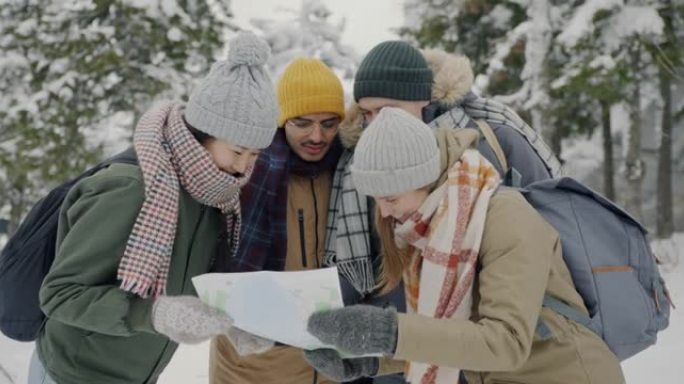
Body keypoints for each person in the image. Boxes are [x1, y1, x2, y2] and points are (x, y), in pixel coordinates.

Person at [304, 108, 625, 384]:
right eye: (376, 201)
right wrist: (371, 362)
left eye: (390, 198)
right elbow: (455, 338)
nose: (385, 212)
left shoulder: (505, 218)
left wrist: (389, 332)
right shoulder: (431, 227)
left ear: (425, 179)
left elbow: (505, 343)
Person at [28, 31, 279, 384]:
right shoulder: (131, 190)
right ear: (201, 133)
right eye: (237, 151)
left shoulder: (214, 197)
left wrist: (232, 323)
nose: (243, 168)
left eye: (254, 155)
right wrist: (154, 314)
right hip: (71, 374)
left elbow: (188, 288)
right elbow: (60, 295)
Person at [323, 40, 558, 327]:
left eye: (387, 109)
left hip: (485, 330)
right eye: (367, 113)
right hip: (397, 338)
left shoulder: (494, 140)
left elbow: (548, 226)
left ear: (423, 99)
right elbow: (361, 258)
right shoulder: (362, 159)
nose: (374, 123)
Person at [207, 57, 347, 384]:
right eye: (302, 123)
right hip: (253, 366)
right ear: (282, 120)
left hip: (330, 364)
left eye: (328, 123)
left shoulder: (348, 173)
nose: (317, 135)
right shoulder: (247, 170)